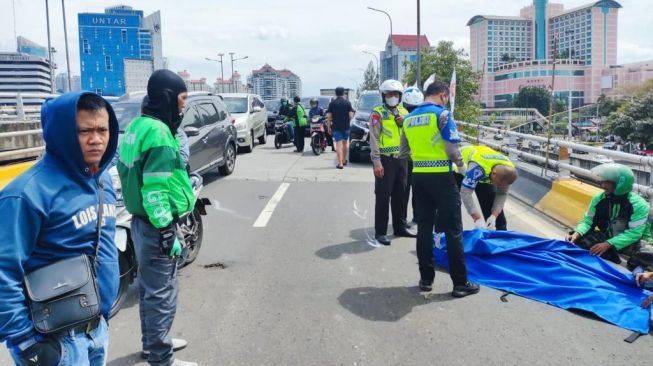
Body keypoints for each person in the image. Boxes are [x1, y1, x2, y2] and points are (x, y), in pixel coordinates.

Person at [0, 92, 119, 365]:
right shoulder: (27, 193)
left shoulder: (101, 182)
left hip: (96, 328)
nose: (96, 139)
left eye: (102, 130)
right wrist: (26, 343)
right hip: (55, 341)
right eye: (84, 131)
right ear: (62, 133)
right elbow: (3, 271)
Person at [117, 69, 197, 366]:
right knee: (162, 294)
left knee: (152, 291)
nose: (183, 106)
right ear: (167, 97)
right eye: (182, 99)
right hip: (155, 225)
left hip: (140, 222)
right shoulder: (160, 133)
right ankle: (162, 359)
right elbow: (154, 190)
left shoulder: (138, 125)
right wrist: (166, 231)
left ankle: (153, 345)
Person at [398, 80, 480, 297]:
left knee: (424, 228)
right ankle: (460, 283)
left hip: (419, 178)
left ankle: (426, 279)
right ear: (443, 95)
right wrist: (462, 167)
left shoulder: (408, 119)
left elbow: (403, 153)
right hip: (442, 177)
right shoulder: (442, 115)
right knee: (453, 230)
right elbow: (453, 149)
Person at [565, 163, 651, 266]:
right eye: (602, 181)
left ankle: (637, 270)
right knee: (578, 239)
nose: (602, 186)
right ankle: (609, 253)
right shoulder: (599, 199)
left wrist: (609, 244)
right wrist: (577, 233)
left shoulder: (639, 204)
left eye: (607, 182)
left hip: (632, 243)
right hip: (608, 238)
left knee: (647, 253)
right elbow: (588, 221)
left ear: (620, 184)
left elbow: (634, 233)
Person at [368, 79, 416, 246]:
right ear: (384, 95)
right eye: (389, 94)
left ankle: (400, 227)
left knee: (401, 195)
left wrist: (405, 121)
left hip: (402, 160)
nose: (392, 97)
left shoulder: (404, 111)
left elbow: (410, 134)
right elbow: (373, 138)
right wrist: (376, 162)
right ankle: (380, 232)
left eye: (396, 94)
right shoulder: (377, 113)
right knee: (383, 196)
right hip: (385, 160)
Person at [456, 145, 518, 230]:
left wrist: (494, 216)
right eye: (498, 184)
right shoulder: (478, 168)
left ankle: (502, 237)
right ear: (494, 174)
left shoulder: (508, 172)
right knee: (453, 204)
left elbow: (502, 193)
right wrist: (477, 218)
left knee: (494, 211)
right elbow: (465, 193)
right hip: (460, 168)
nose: (499, 187)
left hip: (487, 172)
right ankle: (453, 235)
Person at [401, 86, 424, 227]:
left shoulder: (407, 117)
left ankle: (414, 217)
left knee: (413, 190)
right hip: (410, 159)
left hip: (414, 159)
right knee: (407, 190)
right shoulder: (397, 115)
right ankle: (406, 218)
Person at [327, 86, 354, 169]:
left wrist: (329, 127)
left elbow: (329, 117)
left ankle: (340, 163)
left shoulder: (332, 103)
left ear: (336, 93)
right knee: (345, 144)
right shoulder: (347, 103)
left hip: (336, 127)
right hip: (346, 127)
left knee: (338, 145)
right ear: (343, 93)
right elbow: (350, 116)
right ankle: (344, 160)